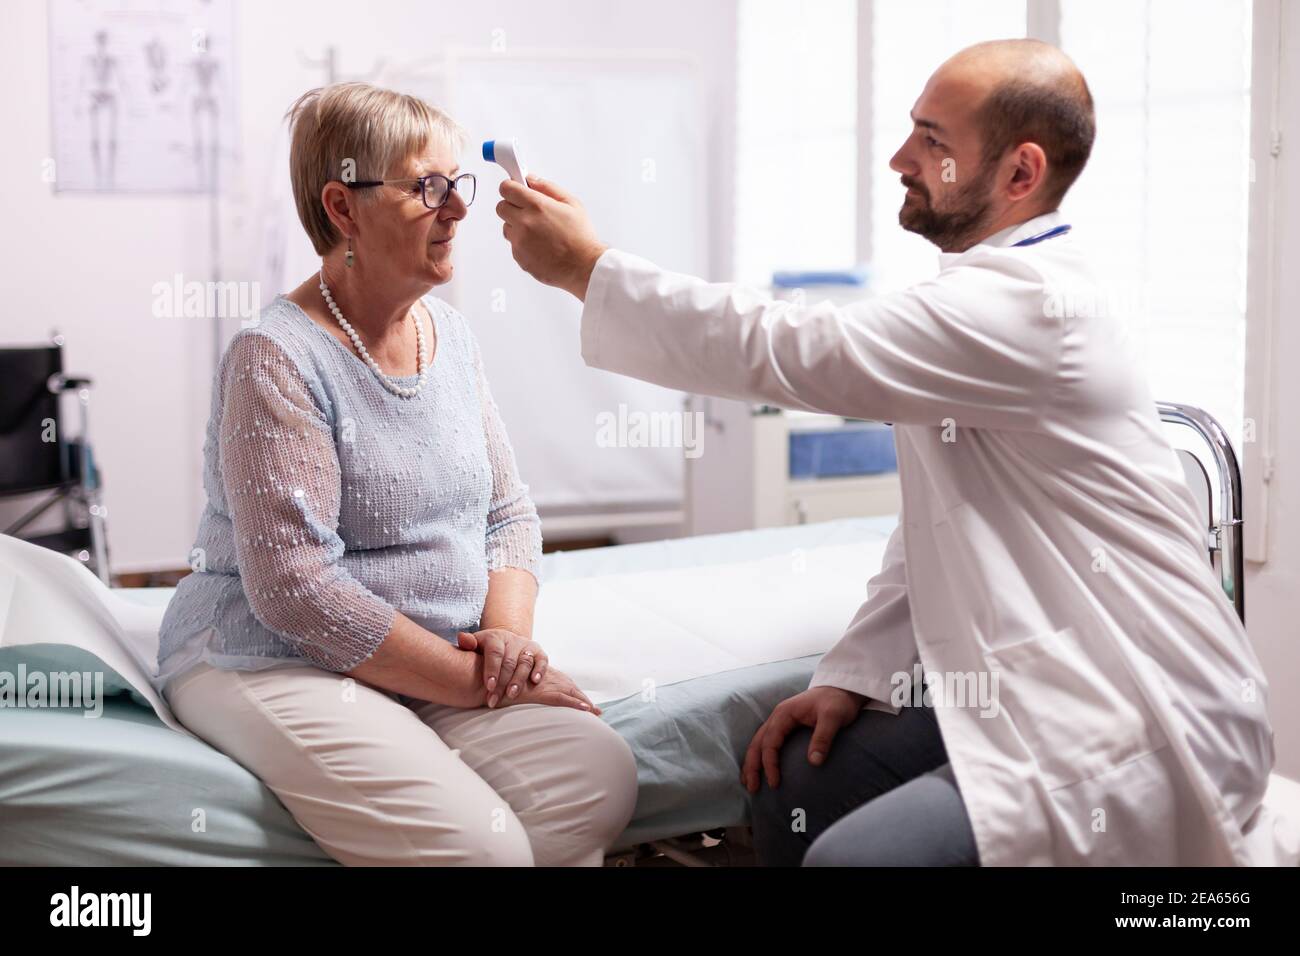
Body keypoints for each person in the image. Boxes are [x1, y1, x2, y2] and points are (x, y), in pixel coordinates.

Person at [493, 39, 1278, 865]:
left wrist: (588, 268)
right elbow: (938, 530)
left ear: (1020, 174)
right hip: (1028, 690)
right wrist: (851, 672)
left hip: (1135, 711)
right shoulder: (984, 296)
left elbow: (794, 344)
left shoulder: (1036, 307)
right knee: (791, 779)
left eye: (933, 142)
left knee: (851, 859)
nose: (901, 158)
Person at [156, 82, 637, 866]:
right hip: (272, 654)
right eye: (428, 188)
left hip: (434, 661)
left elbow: (508, 514)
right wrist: (474, 683)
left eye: (458, 184)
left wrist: (507, 648)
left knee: (598, 774)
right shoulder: (275, 357)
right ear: (342, 208)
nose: (457, 210)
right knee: (484, 853)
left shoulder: (448, 333)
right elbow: (295, 590)